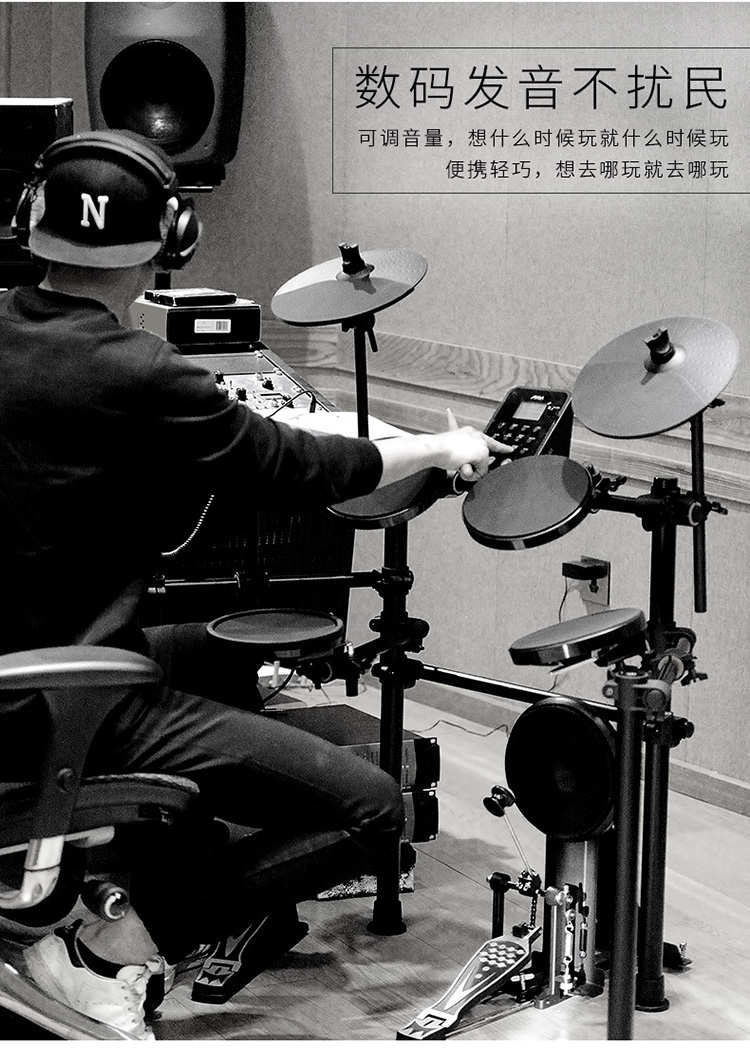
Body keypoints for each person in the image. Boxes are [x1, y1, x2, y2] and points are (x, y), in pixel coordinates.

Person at [0, 130, 509, 1040]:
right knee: (372, 809)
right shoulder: (142, 372)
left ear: (30, 218)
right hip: (61, 699)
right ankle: (107, 952)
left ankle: (137, 877)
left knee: (205, 651)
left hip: (24, 670)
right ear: (172, 238)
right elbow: (302, 468)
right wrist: (442, 446)